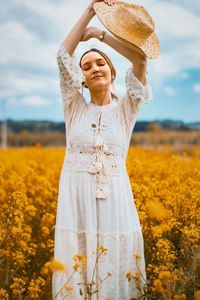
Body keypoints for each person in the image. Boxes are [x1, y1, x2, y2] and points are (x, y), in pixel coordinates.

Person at [52, 0, 153, 299]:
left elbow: (141, 61)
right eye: (86, 67)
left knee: (113, 262)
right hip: (76, 199)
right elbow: (62, 56)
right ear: (80, 79)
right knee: (78, 260)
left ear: (110, 71)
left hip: (115, 201)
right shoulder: (74, 107)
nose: (94, 68)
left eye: (100, 63)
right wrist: (90, 11)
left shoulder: (126, 109)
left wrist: (101, 35)